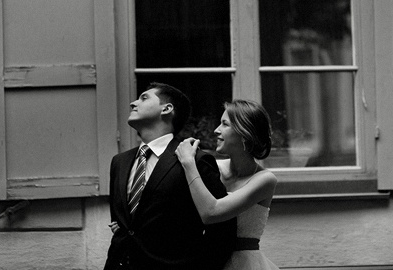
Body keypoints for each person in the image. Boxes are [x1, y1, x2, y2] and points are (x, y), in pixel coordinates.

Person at [104, 82, 236, 270]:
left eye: (144, 98)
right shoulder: (119, 162)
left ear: (166, 109)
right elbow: (123, 224)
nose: (133, 103)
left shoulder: (195, 160)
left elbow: (223, 230)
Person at [175, 99, 279, 270]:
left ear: (244, 133)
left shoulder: (265, 180)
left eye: (225, 124)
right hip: (207, 259)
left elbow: (211, 212)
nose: (216, 130)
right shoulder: (213, 169)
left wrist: (188, 163)